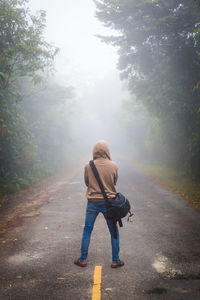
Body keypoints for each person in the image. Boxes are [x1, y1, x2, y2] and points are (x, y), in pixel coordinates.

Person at [74, 140, 124, 268]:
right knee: (113, 231)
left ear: (94, 151)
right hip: (109, 204)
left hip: (92, 202)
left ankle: (83, 259)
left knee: (87, 230)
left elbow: (87, 183)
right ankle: (115, 260)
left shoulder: (88, 165)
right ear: (107, 151)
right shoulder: (114, 165)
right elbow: (114, 182)